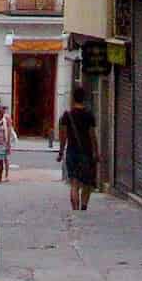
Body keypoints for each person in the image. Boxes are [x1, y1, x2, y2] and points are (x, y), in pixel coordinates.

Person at [57, 84, 98, 213]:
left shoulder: (67, 115)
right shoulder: (89, 115)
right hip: (86, 153)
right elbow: (92, 136)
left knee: (74, 184)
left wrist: (61, 152)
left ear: (73, 99)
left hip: (71, 152)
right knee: (87, 183)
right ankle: (84, 207)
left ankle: (75, 210)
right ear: (84, 98)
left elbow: (63, 136)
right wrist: (96, 152)